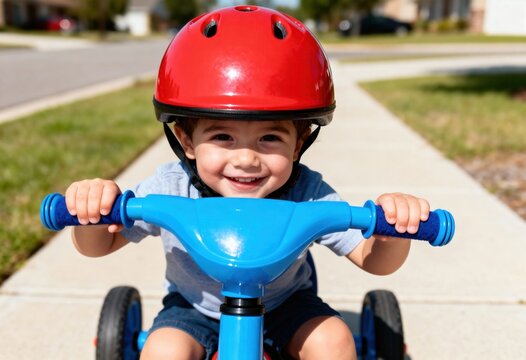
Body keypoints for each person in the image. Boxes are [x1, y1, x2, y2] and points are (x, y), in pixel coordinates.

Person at [65, 6, 430, 360]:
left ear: (299, 142)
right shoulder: (169, 187)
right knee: (163, 351)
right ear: (187, 140)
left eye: (270, 138)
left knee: (333, 342)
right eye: (223, 137)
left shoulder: (306, 192)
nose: (246, 158)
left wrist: (391, 232)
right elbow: (99, 246)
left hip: (286, 306)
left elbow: (373, 262)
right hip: (194, 311)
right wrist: (91, 211)